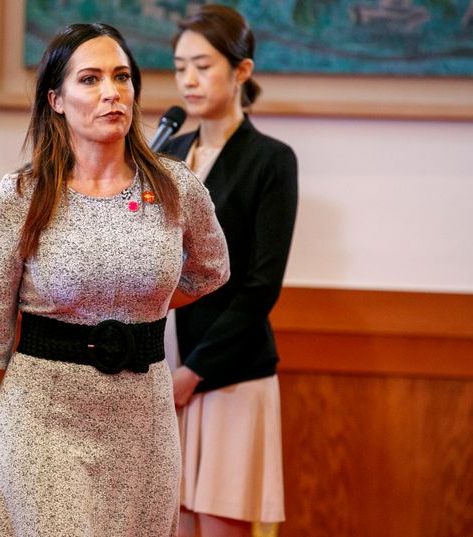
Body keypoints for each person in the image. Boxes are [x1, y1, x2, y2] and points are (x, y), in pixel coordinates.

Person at [0, 23, 230, 537]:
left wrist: (144, 309)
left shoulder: (175, 185)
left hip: (144, 422)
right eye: (90, 80)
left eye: (121, 77)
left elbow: (211, 271)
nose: (111, 92)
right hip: (43, 420)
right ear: (57, 99)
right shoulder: (20, 197)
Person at [159, 6, 298, 537]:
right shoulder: (167, 152)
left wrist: (193, 373)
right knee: (168, 522)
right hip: (162, 360)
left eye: (203, 65)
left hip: (229, 370)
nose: (189, 80)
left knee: (216, 525)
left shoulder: (271, 159)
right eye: (179, 68)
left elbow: (261, 284)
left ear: (241, 71)